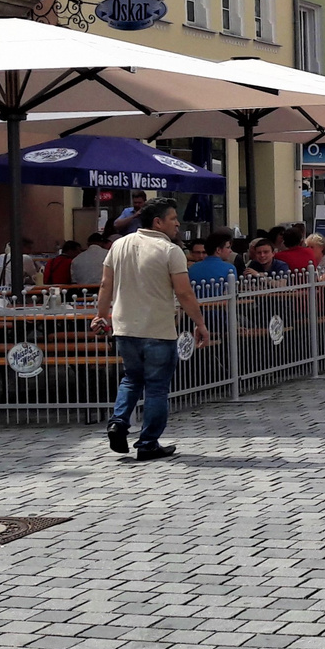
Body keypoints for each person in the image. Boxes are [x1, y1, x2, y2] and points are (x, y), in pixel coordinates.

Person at [92, 197, 209, 462]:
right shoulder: (170, 251)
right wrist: (200, 324)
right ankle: (148, 443)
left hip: (124, 326)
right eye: (173, 218)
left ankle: (118, 422)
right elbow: (184, 292)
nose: (178, 224)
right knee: (156, 387)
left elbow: (104, 285)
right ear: (158, 222)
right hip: (157, 328)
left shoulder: (118, 245)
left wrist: (100, 316)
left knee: (131, 379)